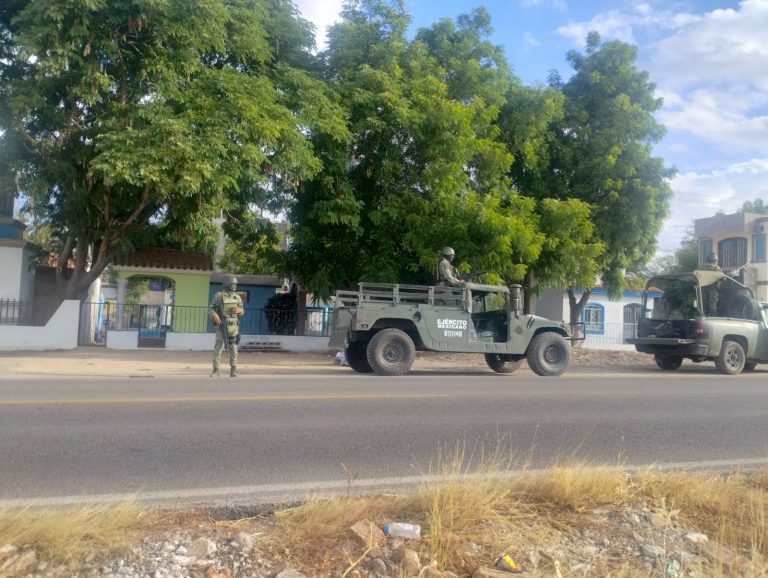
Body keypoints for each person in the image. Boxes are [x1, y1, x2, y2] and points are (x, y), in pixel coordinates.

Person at [209, 275, 244, 377]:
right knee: (218, 348)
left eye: (235, 284)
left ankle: (233, 370)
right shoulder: (219, 296)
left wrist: (240, 311)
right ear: (227, 284)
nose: (234, 286)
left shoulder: (237, 297)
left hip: (233, 327)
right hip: (221, 326)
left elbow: (242, 310)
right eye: (233, 284)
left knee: (233, 348)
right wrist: (214, 315)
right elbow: (210, 308)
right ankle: (216, 371)